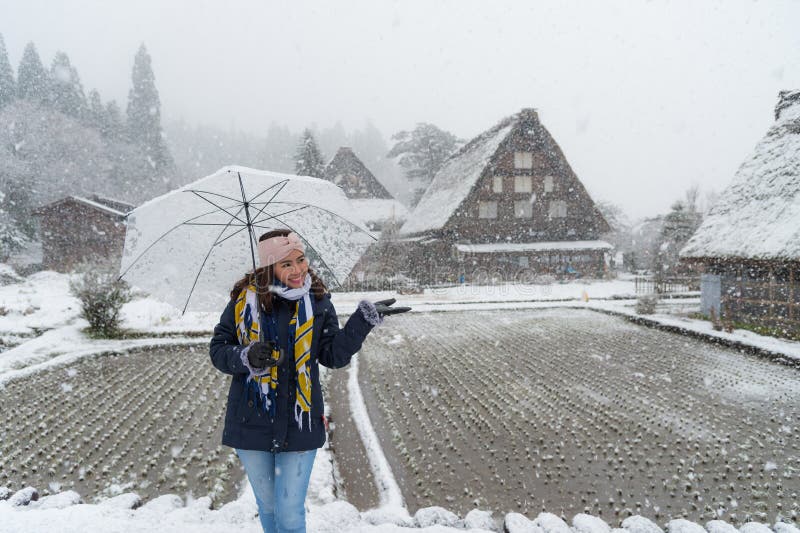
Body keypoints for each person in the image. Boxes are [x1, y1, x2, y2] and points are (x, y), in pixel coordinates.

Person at [209, 229, 409, 533]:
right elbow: (219, 350)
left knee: (289, 515)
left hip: (299, 420)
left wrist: (361, 322)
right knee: (270, 510)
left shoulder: (317, 302)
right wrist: (246, 356)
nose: (298, 270)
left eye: (301, 260)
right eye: (286, 264)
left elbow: (333, 356)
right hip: (251, 418)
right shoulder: (243, 302)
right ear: (268, 269)